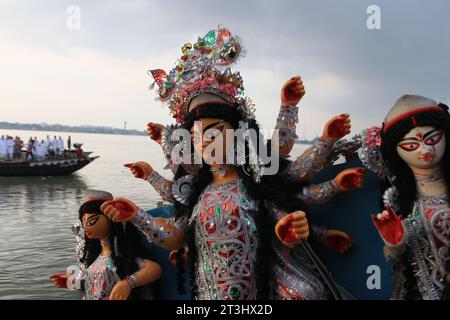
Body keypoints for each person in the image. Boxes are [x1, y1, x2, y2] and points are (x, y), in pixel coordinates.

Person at [102, 27, 363, 300]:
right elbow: (175, 238)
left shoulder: (256, 181)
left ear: (238, 132)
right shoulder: (195, 192)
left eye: (214, 132)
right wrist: (136, 216)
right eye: (196, 136)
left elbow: (284, 203)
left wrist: (298, 114)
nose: (204, 142)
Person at [359, 95, 450, 300]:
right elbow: (392, 258)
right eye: (411, 146)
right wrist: (394, 244)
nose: (425, 150)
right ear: (396, 151)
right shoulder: (400, 201)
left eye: (432, 139)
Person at [50, 190, 162, 300]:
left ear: (111, 219)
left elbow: (154, 269)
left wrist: (128, 283)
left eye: (91, 222)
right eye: (83, 223)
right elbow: (97, 288)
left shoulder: (123, 254)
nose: (86, 227)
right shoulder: (95, 257)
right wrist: (76, 283)